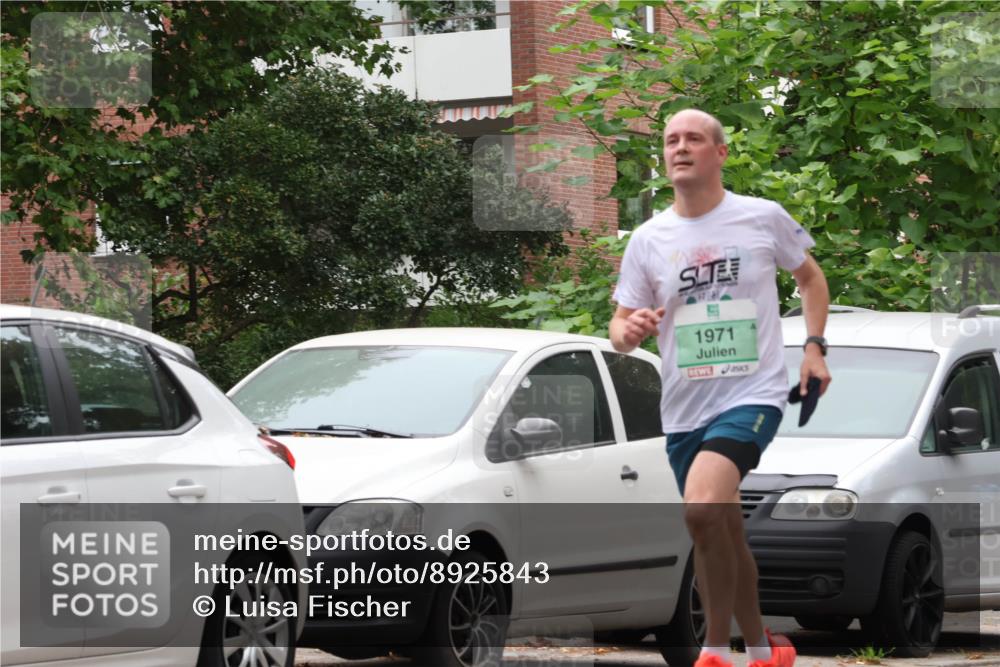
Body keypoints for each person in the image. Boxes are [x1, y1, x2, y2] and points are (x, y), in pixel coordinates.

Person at [609, 109, 832, 667]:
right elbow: (618, 328)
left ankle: (713, 650)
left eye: (694, 139)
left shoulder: (761, 218)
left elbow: (810, 278)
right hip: (684, 408)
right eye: (670, 140)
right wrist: (629, 330)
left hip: (751, 394)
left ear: (720, 152)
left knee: (704, 509)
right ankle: (762, 649)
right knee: (723, 528)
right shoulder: (648, 238)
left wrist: (813, 347)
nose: (680, 148)